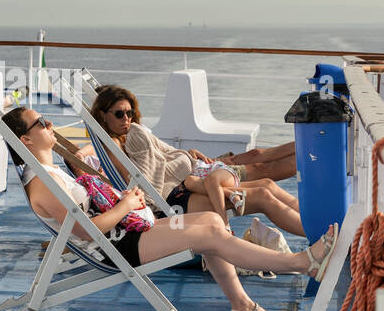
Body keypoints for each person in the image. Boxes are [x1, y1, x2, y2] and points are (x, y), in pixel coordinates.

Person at [2, 106, 339, 311]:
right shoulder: (42, 185)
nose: (50, 124)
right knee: (209, 234)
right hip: (120, 247)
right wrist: (125, 205)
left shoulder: (50, 173)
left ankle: (242, 307)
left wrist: (125, 202)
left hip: (127, 233)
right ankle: (302, 263)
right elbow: (87, 231)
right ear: (25, 139)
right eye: (41, 123)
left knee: (210, 220)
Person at [88, 85, 306, 237]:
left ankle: (316, 226)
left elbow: (157, 161)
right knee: (263, 195)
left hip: (184, 184)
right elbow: (146, 182)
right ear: (103, 115)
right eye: (119, 114)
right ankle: (318, 239)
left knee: (266, 185)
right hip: (173, 197)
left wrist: (184, 155)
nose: (126, 119)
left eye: (129, 113)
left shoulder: (124, 138)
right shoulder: (121, 142)